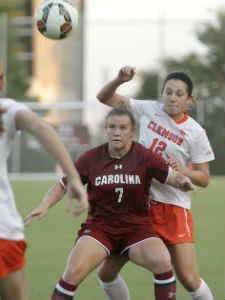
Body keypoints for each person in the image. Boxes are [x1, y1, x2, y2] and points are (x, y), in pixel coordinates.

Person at [25, 108, 196, 300]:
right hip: (100, 229)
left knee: (163, 261)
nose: (117, 132)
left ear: (133, 131)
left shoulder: (144, 156)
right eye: (112, 127)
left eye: (123, 127)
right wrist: (45, 204)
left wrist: (184, 181)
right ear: (106, 130)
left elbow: (173, 178)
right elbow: (63, 185)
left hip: (137, 229)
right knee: (73, 270)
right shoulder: (90, 158)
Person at [96, 66, 215, 300]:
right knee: (106, 273)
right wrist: (119, 80)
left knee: (189, 279)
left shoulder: (195, 132)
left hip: (173, 209)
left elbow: (204, 178)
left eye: (179, 94)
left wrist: (184, 172)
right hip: (137, 206)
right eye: (168, 92)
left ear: (189, 99)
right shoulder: (148, 109)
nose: (172, 98)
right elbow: (104, 97)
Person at [0, 59, 88, 300]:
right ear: (2, 82)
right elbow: (41, 127)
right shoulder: (6, 109)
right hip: (3, 234)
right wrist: (73, 177)